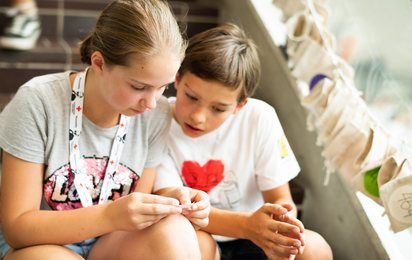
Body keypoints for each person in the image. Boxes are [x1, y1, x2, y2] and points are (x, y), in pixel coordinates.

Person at [0, 1, 210, 259]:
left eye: (163, 87)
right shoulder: (37, 101)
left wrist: (173, 202)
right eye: (138, 86)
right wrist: (109, 215)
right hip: (45, 244)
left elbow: (139, 206)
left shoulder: (156, 112)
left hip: (111, 241)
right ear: (98, 63)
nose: (152, 102)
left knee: (177, 228)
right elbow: (17, 229)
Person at [154, 24, 333, 260]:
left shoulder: (259, 117)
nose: (198, 116)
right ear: (177, 78)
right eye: (191, 97)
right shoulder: (156, 119)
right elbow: (175, 206)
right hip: (195, 233)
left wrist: (283, 222)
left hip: (253, 234)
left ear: (240, 105)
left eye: (218, 108)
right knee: (195, 244)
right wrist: (248, 225)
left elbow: (280, 197)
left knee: (315, 249)